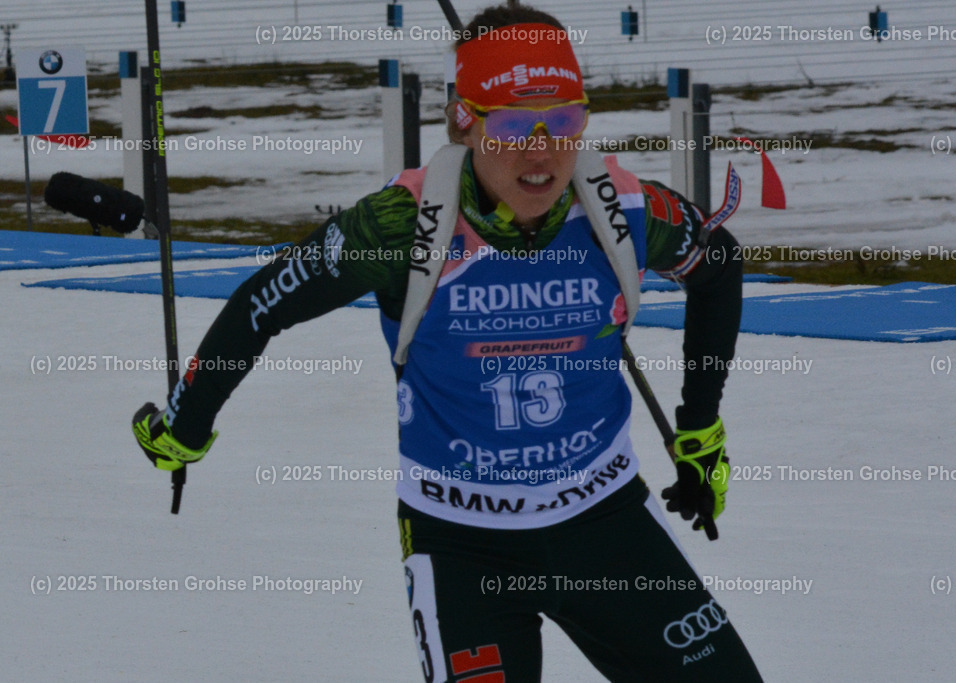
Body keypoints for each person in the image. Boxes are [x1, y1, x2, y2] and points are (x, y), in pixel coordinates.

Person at [132, 5, 762, 681]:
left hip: (604, 525)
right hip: (463, 547)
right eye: (515, 124)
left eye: (566, 121)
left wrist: (700, 427)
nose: (542, 152)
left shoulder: (628, 210)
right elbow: (261, 304)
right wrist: (186, 422)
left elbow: (718, 266)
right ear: (466, 119)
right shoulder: (402, 226)